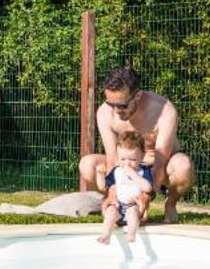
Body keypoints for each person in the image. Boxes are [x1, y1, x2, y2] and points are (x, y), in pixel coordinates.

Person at [78, 65, 196, 222]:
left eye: (122, 105)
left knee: (183, 166)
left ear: (138, 96)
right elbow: (113, 160)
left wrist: (145, 197)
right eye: (111, 104)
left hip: (161, 166)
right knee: (87, 164)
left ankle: (170, 204)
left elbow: (160, 162)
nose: (116, 110)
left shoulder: (163, 110)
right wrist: (113, 193)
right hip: (127, 167)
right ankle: (118, 204)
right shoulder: (104, 113)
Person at [98, 129, 154, 245]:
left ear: (142, 156)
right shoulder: (117, 171)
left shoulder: (143, 171)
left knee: (132, 212)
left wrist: (133, 174)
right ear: (118, 157)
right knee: (110, 211)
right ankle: (106, 234)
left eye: (132, 159)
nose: (127, 163)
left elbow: (148, 188)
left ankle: (131, 234)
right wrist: (100, 175)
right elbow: (103, 187)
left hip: (133, 205)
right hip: (118, 206)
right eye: (123, 159)